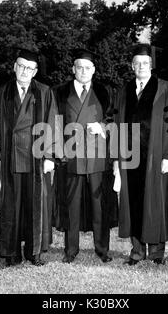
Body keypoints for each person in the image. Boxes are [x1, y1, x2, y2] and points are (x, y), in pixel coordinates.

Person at [0, 48, 58, 267]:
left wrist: (49, 155)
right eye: (21, 66)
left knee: (35, 206)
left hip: (36, 159)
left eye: (30, 68)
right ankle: (11, 253)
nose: (25, 71)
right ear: (14, 67)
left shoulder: (44, 92)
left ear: (35, 71)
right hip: (10, 158)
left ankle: (34, 252)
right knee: (11, 207)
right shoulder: (3, 92)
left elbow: (52, 122)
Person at [113, 44, 168, 266]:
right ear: (132, 66)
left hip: (155, 155)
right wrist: (117, 157)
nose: (141, 66)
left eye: (145, 63)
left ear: (151, 65)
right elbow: (116, 124)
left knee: (156, 202)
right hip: (130, 156)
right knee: (132, 201)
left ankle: (156, 252)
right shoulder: (124, 91)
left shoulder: (166, 88)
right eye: (137, 63)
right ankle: (136, 250)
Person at [53, 48, 117, 264]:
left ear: (94, 70)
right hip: (71, 156)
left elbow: (114, 119)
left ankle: (102, 249)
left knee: (99, 205)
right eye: (79, 67)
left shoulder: (104, 91)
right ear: (73, 69)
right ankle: (70, 250)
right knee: (72, 205)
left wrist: (102, 126)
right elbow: (54, 122)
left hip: (98, 157)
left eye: (87, 67)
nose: (83, 71)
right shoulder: (60, 92)